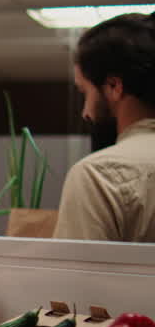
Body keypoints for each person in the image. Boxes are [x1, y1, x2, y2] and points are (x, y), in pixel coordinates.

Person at [54, 12, 155, 242]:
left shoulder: (99, 175)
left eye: (85, 93)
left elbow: (77, 276)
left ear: (113, 86)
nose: (85, 112)